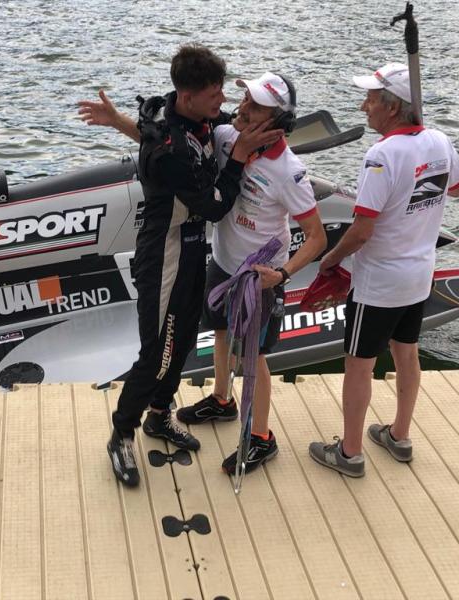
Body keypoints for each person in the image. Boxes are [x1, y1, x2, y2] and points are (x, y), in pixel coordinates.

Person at [80, 45, 282, 488]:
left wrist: (117, 121)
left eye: (222, 93)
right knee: (156, 352)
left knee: (185, 339)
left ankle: (158, 415)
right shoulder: (171, 148)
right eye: (214, 95)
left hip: (192, 250)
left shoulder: (187, 114)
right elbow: (215, 205)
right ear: (188, 97)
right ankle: (121, 434)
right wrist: (240, 156)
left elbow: (150, 133)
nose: (222, 103)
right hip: (164, 254)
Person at [308, 62, 459, 477]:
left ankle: (349, 453)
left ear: (393, 107)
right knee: (407, 353)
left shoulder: (381, 155)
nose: (364, 107)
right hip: (419, 275)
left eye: (370, 99)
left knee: (359, 364)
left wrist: (329, 260)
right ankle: (399, 435)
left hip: (379, 282)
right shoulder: (439, 140)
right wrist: (428, 168)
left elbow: (362, 230)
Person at [175, 73, 327, 475]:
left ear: (278, 122)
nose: (242, 108)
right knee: (220, 333)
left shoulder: (290, 172)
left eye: (256, 105)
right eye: (245, 98)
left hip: (259, 277)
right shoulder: (227, 135)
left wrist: (283, 275)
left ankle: (261, 437)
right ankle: (222, 400)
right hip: (223, 261)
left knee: (254, 358)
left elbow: (317, 237)